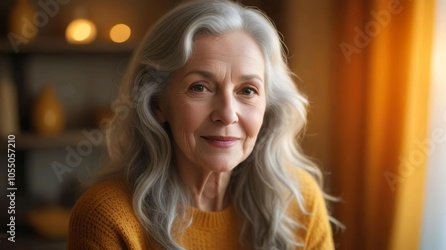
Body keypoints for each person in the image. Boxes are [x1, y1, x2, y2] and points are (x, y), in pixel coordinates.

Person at [67, 0, 339, 249]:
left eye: (247, 90)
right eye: (200, 87)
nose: (227, 114)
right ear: (157, 104)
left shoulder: (298, 199)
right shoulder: (106, 216)